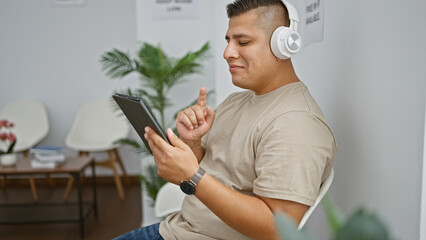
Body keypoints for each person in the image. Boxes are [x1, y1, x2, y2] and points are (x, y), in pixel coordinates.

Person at [114, 0, 336, 239]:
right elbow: (210, 170)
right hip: (177, 228)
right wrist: (194, 142)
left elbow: (277, 229)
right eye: (228, 41)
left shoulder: (296, 124)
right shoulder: (236, 102)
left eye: (243, 42)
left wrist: (192, 176)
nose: (228, 53)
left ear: (284, 45)